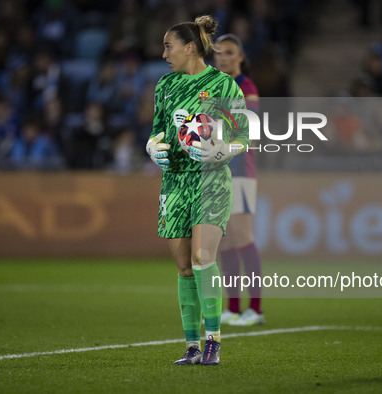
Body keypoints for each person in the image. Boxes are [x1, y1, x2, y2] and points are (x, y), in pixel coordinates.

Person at [146, 15, 250, 366]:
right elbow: (158, 129)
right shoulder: (165, 86)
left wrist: (226, 150)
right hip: (174, 182)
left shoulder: (222, 85)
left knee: (203, 259)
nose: (164, 54)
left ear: (190, 48)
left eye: (168, 46)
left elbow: (244, 136)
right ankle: (191, 346)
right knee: (184, 268)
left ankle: (213, 342)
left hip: (211, 182)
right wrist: (152, 146)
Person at [213, 33, 264, 327]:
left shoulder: (246, 88)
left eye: (229, 52)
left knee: (243, 237)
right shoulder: (214, 87)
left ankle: (255, 309)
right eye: (219, 52)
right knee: (227, 242)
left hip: (240, 170)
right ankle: (233, 307)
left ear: (240, 57)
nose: (223, 57)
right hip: (218, 171)